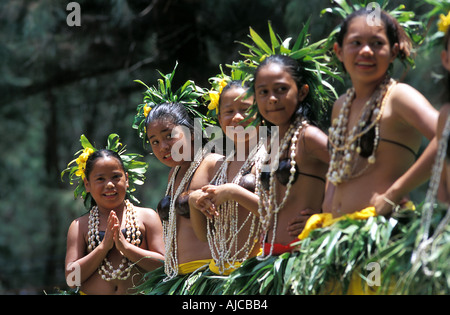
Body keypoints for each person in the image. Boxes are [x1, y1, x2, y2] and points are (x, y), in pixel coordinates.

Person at [323, 8, 439, 218]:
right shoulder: (341, 105)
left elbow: (445, 135)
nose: (366, 51)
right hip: (335, 233)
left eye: (377, 43)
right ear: (339, 51)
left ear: (393, 51)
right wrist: (327, 204)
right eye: (356, 43)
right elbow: (337, 164)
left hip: (382, 231)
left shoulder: (399, 97)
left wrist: (394, 192)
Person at [253, 54, 330, 257]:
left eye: (281, 89)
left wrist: (325, 216)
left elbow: (352, 170)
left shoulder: (308, 137)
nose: (272, 98)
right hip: (270, 257)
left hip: (303, 254)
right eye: (263, 92)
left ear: (302, 91)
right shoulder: (272, 142)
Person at [189, 79, 265, 277]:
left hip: (256, 272)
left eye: (245, 110)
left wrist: (232, 192)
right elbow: (203, 236)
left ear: (261, 114)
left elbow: (278, 215)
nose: (237, 117)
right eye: (229, 112)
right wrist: (193, 202)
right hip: (220, 274)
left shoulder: (270, 157)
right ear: (220, 120)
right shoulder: (218, 166)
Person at [64, 144, 165, 295]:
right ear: (87, 184)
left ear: (127, 179)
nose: (110, 184)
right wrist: (103, 247)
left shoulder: (147, 217)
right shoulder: (80, 226)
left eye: (116, 176)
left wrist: (126, 247)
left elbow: (165, 267)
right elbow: (72, 279)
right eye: (100, 179)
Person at [144, 102, 223, 283]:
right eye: (154, 141)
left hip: (209, 275)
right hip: (179, 278)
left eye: (169, 136)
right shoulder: (175, 173)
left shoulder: (213, 163)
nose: (162, 146)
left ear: (192, 132)